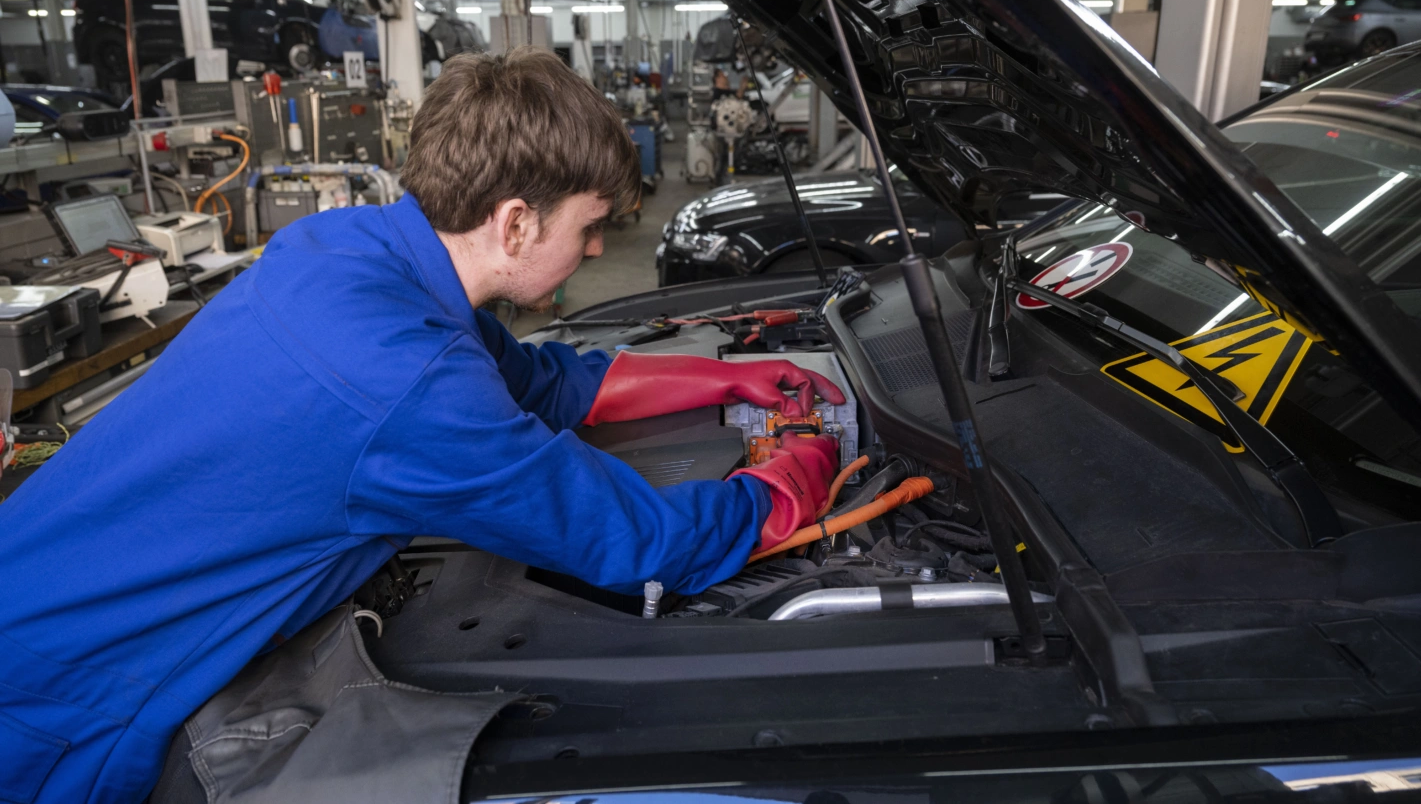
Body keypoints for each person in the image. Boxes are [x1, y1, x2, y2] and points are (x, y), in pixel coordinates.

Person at [0, 48, 844, 803]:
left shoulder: (346, 249)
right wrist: (788, 481)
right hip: (57, 693)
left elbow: (543, 382)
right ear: (515, 221)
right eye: (590, 228)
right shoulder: (406, 378)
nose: (594, 252)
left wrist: (726, 374)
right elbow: (637, 542)